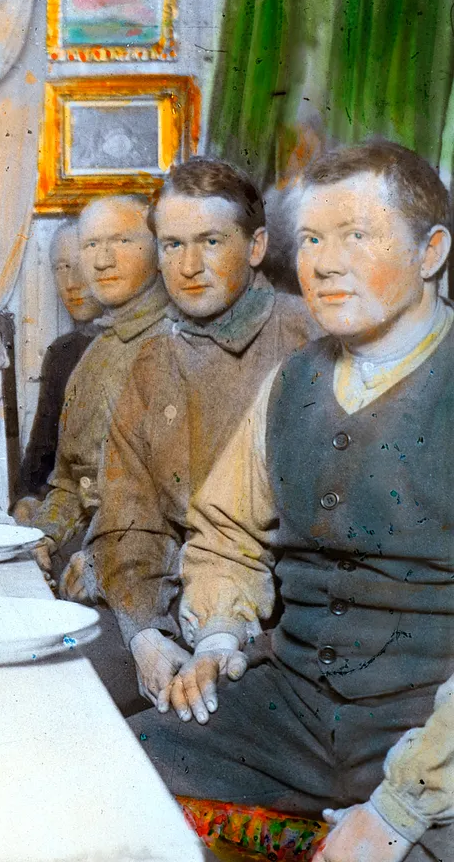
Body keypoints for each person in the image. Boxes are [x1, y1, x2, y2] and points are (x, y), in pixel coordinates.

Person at [132, 141, 454, 861]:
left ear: (431, 250)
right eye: (311, 238)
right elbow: (226, 533)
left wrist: (400, 810)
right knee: (122, 770)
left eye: (357, 236)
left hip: (434, 734)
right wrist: (219, 637)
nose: (325, 263)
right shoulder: (291, 382)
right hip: (296, 714)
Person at [61, 158, 319, 716]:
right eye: (173, 245)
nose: (189, 266)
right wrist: (144, 637)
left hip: (275, 624)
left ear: (255, 248)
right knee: (62, 694)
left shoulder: (310, 339)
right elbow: (128, 518)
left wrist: (220, 637)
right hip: (169, 604)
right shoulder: (152, 362)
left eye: (210, 241)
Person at [17, 194, 171, 577]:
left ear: (159, 248)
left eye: (121, 241)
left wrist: (101, 565)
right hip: (89, 557)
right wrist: (44, 536)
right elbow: (69, 482)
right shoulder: (96, 350)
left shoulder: (181, 344)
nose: (102, 261)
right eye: (91, 245)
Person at [14, 220, 103, 505]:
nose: (71, 283)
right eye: (61, 268)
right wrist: (24, 502)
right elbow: (40, 457)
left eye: (81, 265)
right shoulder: (62, 353)